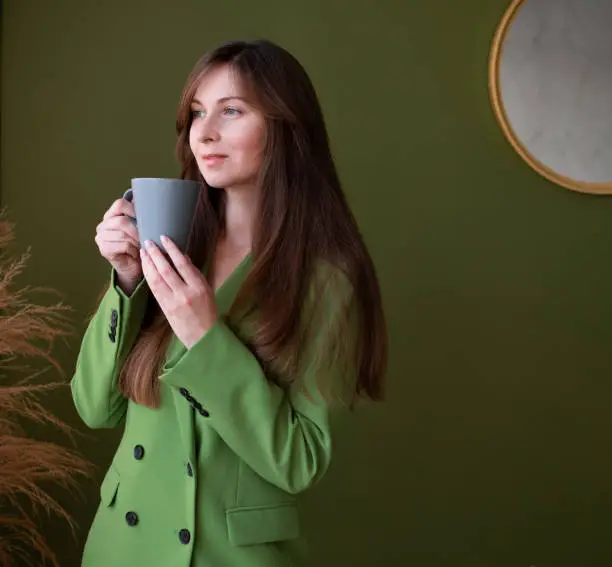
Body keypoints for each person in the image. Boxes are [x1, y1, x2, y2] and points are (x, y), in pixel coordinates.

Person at [71, 39, 387, 567]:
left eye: (231, 111)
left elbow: (300, 460)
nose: (205, 132)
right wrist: (125, 281)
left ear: (285, 127)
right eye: (197, 113)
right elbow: (94, 408)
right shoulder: (170, 242)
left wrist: (205, 337)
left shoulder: (325, 281)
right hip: (122, 547)